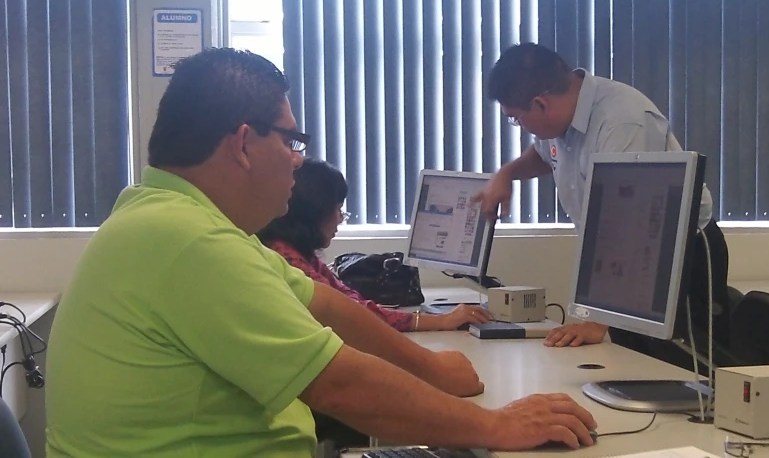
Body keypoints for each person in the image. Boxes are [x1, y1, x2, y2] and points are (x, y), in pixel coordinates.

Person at [45, 47, 597, 458]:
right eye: (290, 141)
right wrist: (497, 426)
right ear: (242, 144)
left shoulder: (169, 217)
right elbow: (339, 384)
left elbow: (327, 306)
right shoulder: (186, 241)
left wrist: (430, 368)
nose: (296, 160)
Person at [475, 43, 730, 366]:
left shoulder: (623, 124)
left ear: (541, 103)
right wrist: (507, 174)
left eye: (516, 119)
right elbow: (543, 155)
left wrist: (600, 320)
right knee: (627, 361)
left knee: (681, 366)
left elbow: (635, 228)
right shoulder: (561, 117)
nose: (520, 126)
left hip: (679, 254)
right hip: (626, 255)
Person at [258, 158, 491, 333]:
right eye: (338, 208)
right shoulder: (287, 261)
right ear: (314, 211)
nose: (340, 217)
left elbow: (351, 302)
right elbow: (353, 316)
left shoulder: (299, 255)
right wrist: (439, 321)